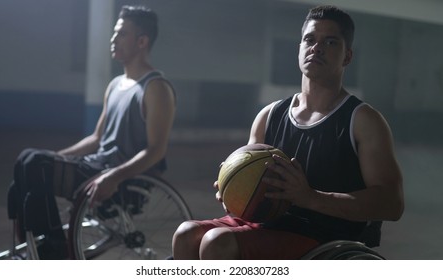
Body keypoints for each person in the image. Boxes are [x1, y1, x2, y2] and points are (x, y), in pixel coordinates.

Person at [172, 5, 404, 260]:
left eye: (330, 42)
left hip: (323, 236)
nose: (317, 47)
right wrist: (233, 188)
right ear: (300, 48)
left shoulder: (363, 120)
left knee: (217, 242)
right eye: (310, 39)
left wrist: (310, 197)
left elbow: (392, 204)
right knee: (186, 234)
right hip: (265, 223)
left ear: (347, 56)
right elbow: (249, 184)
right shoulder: (269, 115)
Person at [7, 5, 176, 259]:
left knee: (34, 162)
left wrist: (114, 176)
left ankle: (54, 249)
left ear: (142, 41)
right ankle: (38, 246)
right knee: (29, 160)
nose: (113, 39)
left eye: (121, 34)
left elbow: (156, 150)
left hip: (120, 177)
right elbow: (97, 139)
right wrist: (57, 156)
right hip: (95, 165)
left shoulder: (156, 88)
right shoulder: (115, 85)